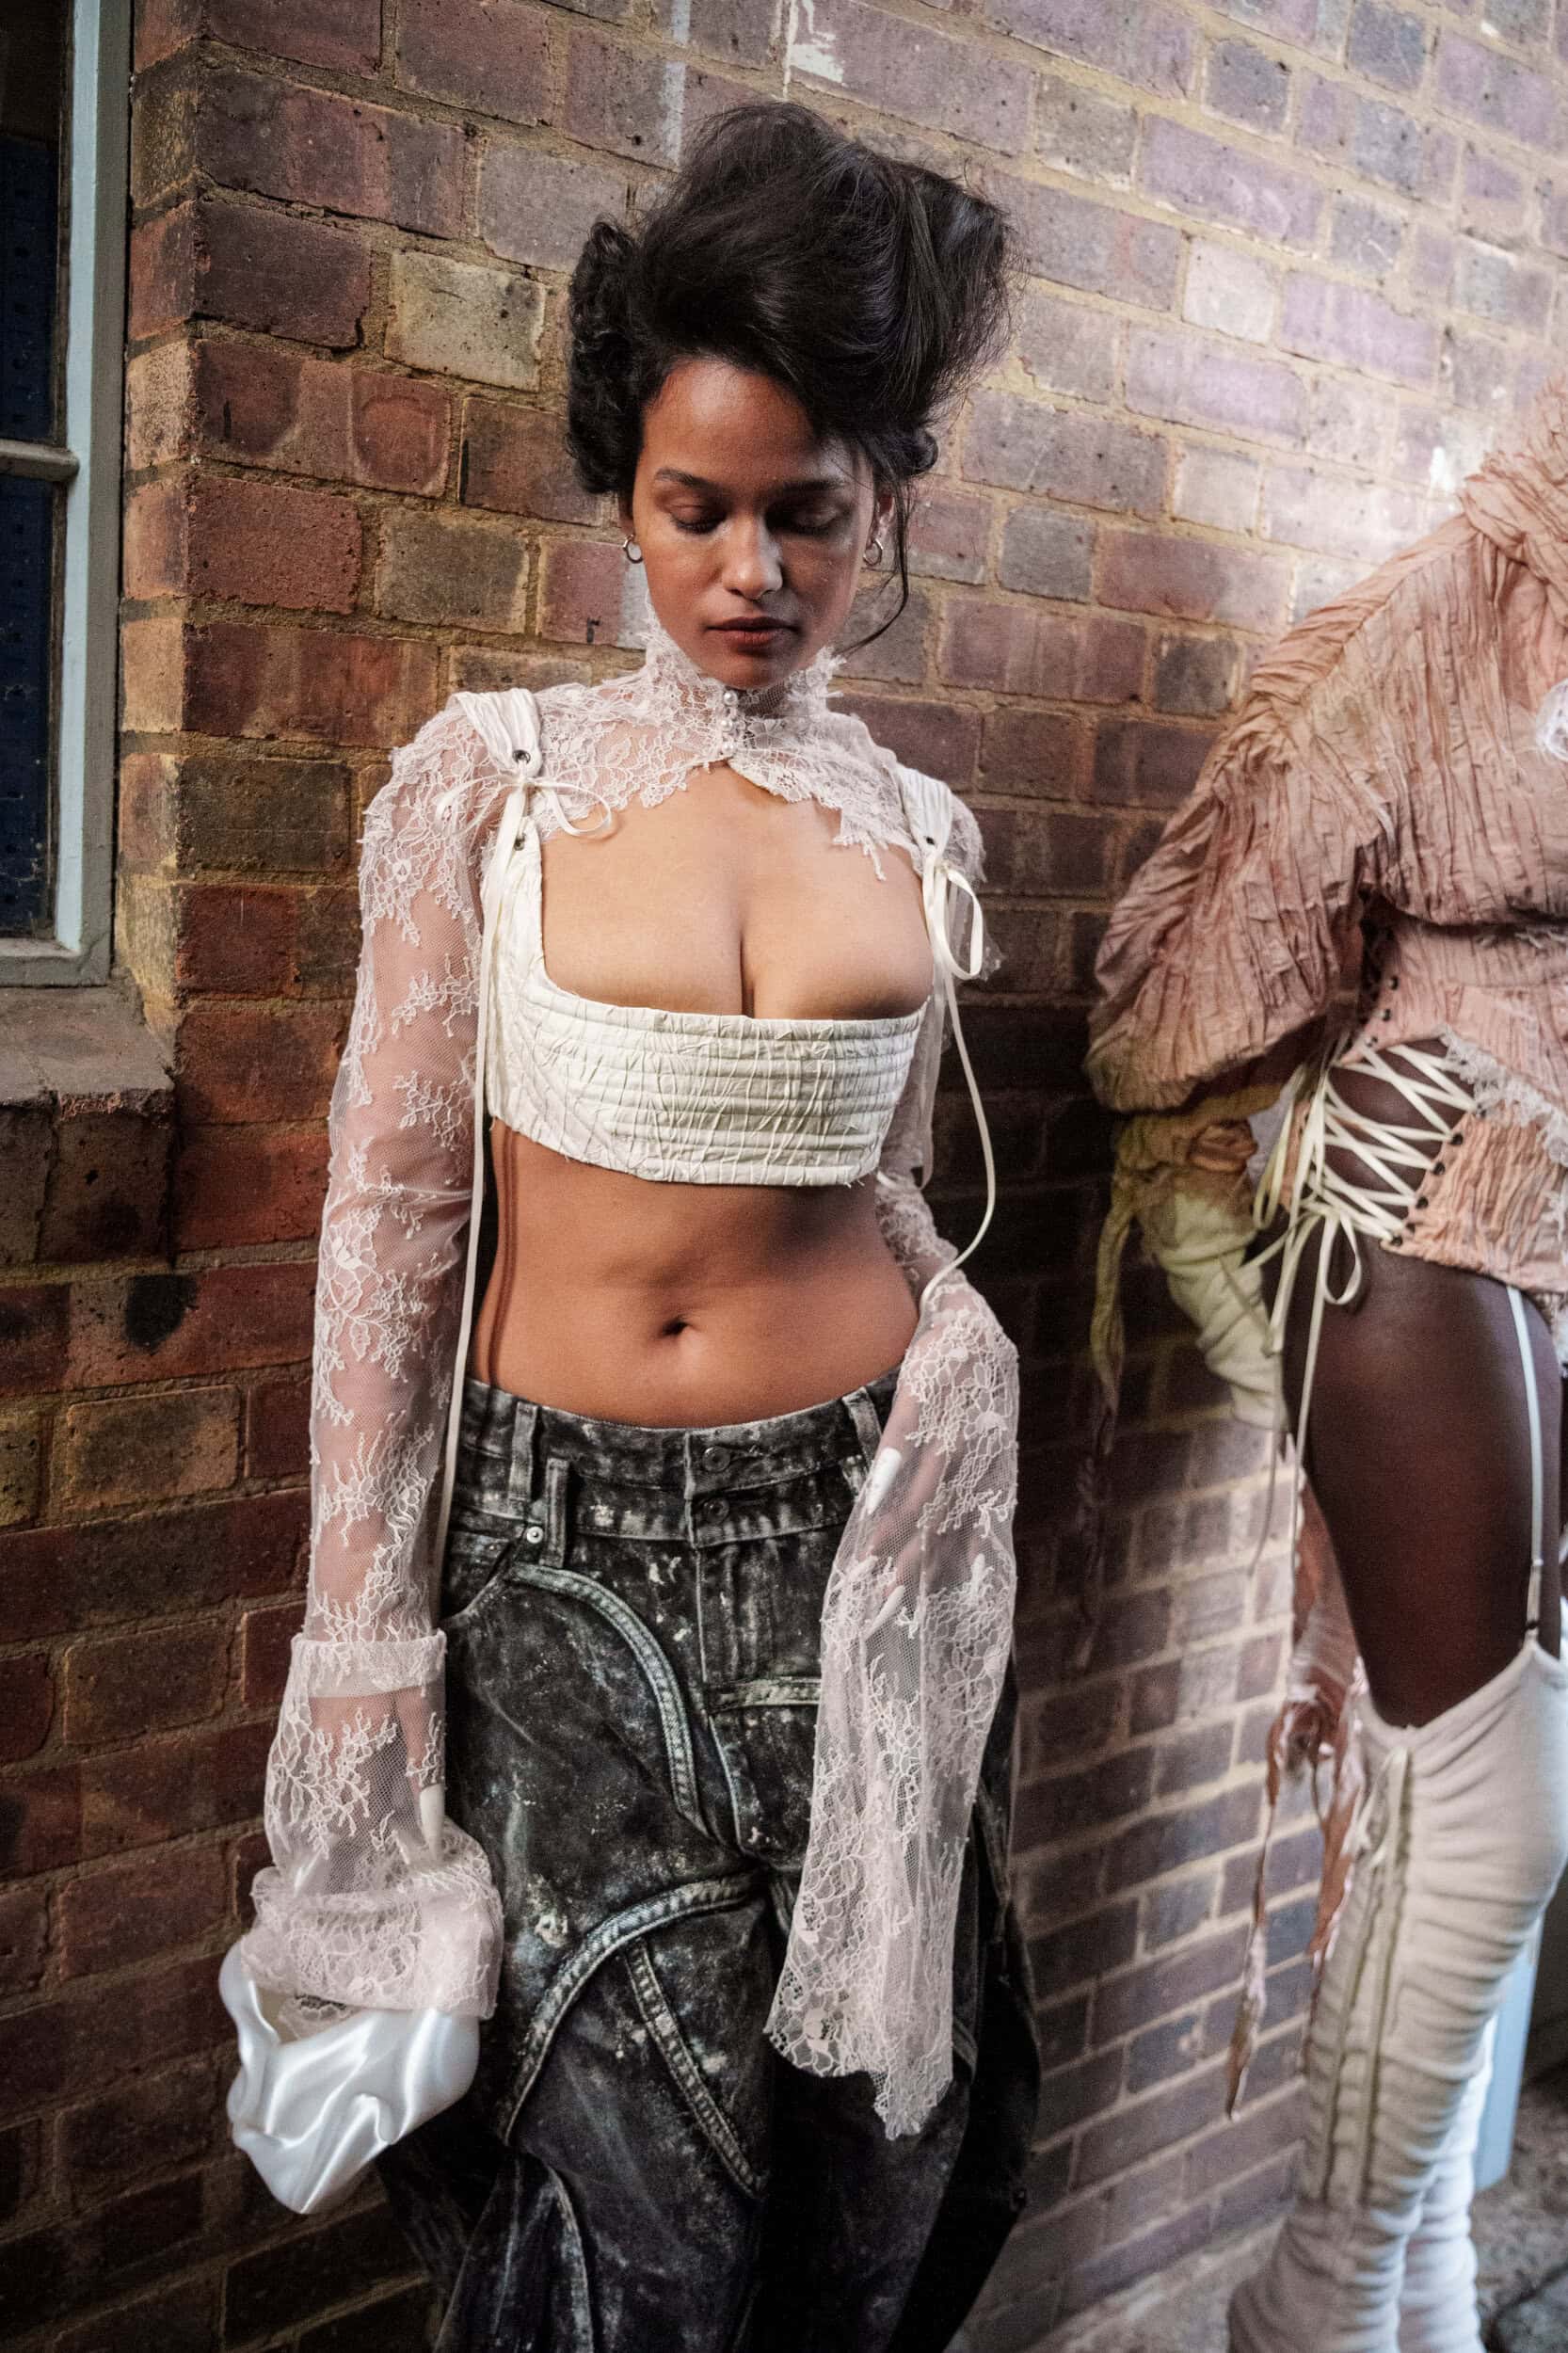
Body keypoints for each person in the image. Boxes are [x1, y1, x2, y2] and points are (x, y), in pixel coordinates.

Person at [230, 102, 1040, 2352]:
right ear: (624, 497)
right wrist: (362, 1648)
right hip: (563, 1561)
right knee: (628, 2216)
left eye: (808, 512)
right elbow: (391, 1227)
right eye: (697, 507)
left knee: (871, 2177)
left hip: (867, 1538)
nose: (750, 566)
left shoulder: (920, 825)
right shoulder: (486, 784)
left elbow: (869, 1180)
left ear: (884, 505)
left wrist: (949, 1337)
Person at [1084, 381, 1568, 2353]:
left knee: (1473, 1790)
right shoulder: (1459, 598)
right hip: (1417, 1201)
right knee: (1496, 1805)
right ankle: (1311, 2299)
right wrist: (1245, 1186)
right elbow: (1184, 989)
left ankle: (1410, 2290)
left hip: (1552, 1221)